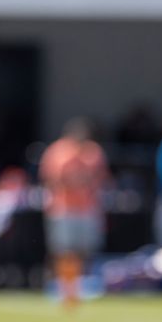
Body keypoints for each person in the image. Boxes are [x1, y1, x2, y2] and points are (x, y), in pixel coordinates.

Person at [39, 117, 111, 309]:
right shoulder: (58, 151)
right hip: (63, 208)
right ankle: (59, 286)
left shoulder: (94, 152)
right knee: (63, 250)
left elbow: (100, 178)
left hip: (88, 207)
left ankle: (83, 286)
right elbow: (53, 178)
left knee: (86, 249)